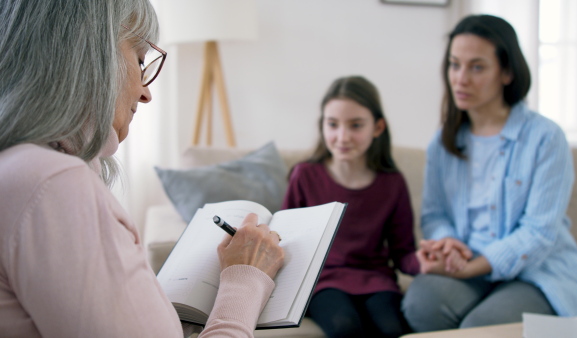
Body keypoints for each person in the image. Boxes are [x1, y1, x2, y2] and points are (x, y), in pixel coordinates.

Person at [0, 0, 284, 337]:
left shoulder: (20, 168)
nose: (145, 92)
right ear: (89, 53)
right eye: (138, 60)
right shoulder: (53, 185)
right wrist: (245, 278)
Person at [401, 14, 577, 332]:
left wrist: (472, 267)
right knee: (421, 304)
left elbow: (538, 232)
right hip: (468, 262)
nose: (461, 79)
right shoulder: (443, 142)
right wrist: (449, 245)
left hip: (536, 271)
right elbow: (434, 216)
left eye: (477, 67)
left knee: (482, 327)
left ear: (507, 72)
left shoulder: (546, 137)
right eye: (454, 64)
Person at [281, 75, 419, 338]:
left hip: (377, 281)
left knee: (391, 329)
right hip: (324, 283)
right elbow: (287, 243)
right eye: (332, 124)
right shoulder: (305, 176)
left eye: (355, 125)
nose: (342, 136)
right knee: (346, 328)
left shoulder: (392, 183)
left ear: (378, 128)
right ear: (322, 125)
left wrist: (425, 263)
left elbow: (403, 252)